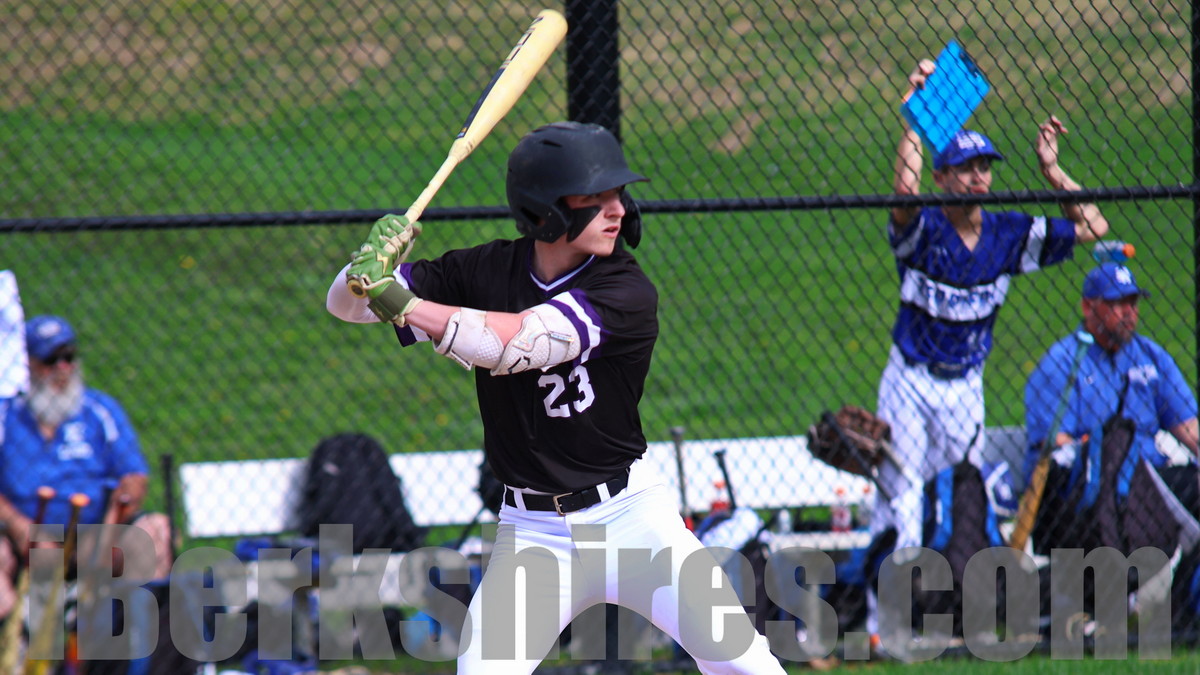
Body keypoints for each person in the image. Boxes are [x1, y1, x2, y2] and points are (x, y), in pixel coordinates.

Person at [327, 121, 786, 674]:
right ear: (545, 210)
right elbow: (345, 306)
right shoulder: (486, 269)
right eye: (596, 199)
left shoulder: (625, 289)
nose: (617, 210)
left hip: (632, 518)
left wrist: (401, 302)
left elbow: (517, 344)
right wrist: (362, 269)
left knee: (744, 663)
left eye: (618, 194)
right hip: (533, 535)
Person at [868, 57, 1110, 642]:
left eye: (984, 167)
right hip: (910, 380)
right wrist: (916, 122)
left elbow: (1094, 227)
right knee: (900, 500)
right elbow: (903, 192)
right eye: (964, 168)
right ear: (943, 177)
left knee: (960, 498)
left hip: (965, 387)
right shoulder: (923, 229)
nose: (977, 177)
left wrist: (1052, 170)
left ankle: (949, 614)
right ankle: (883, 624)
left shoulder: (1007, 234)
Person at [0, 315, 174, 619]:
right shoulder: (6, 416)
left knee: (155, 530)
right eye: (50, 360)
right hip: (22, 538)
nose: (62, 369)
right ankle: (15, 638)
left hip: (94, 534)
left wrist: (108, 530)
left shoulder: (99, 410)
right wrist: (19, 527)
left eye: (68, 357)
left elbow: (133, 477)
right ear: (27, 364)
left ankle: (139, 638)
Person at [1025, 262, 1198, 508]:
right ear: (1088, 307)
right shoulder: (1061, 363)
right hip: (1092, 482)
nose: (1129, 312)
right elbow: (1053, 444)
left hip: (1152, 476)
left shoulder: (1151, 356)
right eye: (1117, 303)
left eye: (1133, 303)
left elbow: (1189, 428)